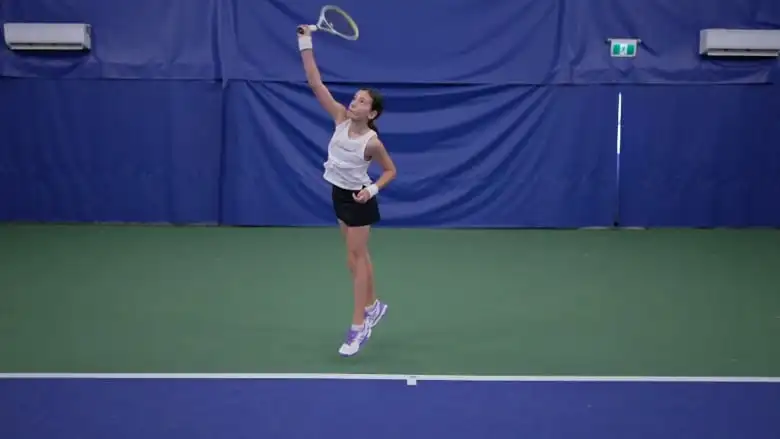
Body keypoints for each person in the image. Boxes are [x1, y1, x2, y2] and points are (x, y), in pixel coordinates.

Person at [297, 25, 396, 357]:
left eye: (362, 102)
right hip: (338, 195)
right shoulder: (339, 118)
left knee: (356, 257)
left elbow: (391, 171)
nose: (354, 103)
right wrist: (305, 40)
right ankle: (374, 305)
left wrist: (372, 190)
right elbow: (315, 82)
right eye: (355, 98)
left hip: (359, 200)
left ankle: (358, 327)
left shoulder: (372, 143)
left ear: (373, 113)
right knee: (356, 260)